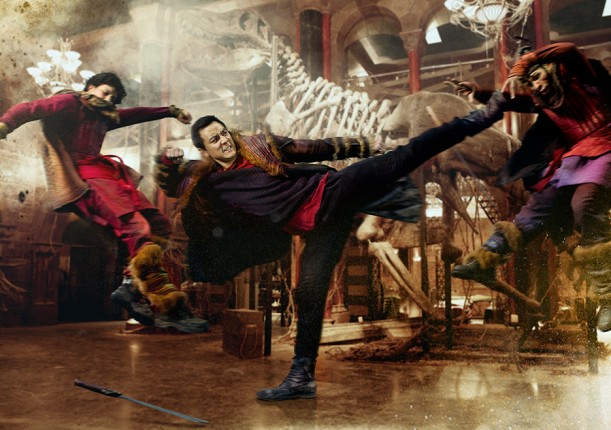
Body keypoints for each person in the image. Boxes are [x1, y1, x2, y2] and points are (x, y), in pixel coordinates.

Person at [154, 95, 506, 400]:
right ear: (205, 150)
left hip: (333, 191)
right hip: (320, 228)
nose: (224, 141)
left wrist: (363, 146)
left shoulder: (261, 146)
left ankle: (482, 116)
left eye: (224, 133)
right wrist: (169, 164)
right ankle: (301, 377)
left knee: (409, 153)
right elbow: (178, 186)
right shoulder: (211, 186)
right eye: (215, 140)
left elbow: (315, 147)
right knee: (308, 291)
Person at [0, 72, 207, 333]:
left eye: (113, 97)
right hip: (86, 180)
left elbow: (138, 113)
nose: (109, 99)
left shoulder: (106, 116)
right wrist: (5, 125)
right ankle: (169, 307)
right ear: (90, 87)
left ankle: (129, 287)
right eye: (105, 92)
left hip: (110, 177)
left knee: (159, 225)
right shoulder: (71, 103)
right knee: (137, 229)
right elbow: (31, 108)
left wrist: (170, 111)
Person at [451, 42, 611, 331]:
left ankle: (608, 294)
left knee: (584, 205)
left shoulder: (584, 79)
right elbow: (509, 100)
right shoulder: (542, 101)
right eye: (531, 82)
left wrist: (524, 64)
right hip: (575, 155)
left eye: (538, 77)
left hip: (607, 146)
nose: (536, 86)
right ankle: (485, 259)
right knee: (539, 204)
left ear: (552, 70)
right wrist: (477, 92)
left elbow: (568, 50)